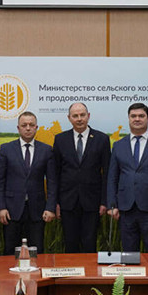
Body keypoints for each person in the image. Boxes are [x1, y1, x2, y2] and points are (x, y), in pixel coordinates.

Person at [107, 103, 148, 253]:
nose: (137, 119)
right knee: (129, 252)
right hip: (126, 208)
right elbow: (112, 178)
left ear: (147, 118)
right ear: (129, 118)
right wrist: (112, 205)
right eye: (133, 116)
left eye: (141, 116)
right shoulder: (118, 145)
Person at [0, 111, 57, 253]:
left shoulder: (46, 150)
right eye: (24, 125)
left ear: (36, 128)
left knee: (36, 251)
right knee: (10, 251)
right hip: (11, 210)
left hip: (37, 211)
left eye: (31, 125)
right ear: (18, 128)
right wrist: (1, 207)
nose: (28, 128)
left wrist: (50, 207)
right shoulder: (6, 149)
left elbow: (52, 182)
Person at [53, 102, 110, 253]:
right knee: (70, 243)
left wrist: (104, 201)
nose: (79, 119)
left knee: (89, 243)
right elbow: (55, 174)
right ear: (69, 118)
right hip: (67, 202)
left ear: (88, 116)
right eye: (75, 116)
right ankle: (72, 269)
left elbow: (107, 173)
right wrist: (56, 203)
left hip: (92, 202)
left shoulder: (102, 139)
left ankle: (88, 269)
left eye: (82, 115)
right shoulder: (60, 139)